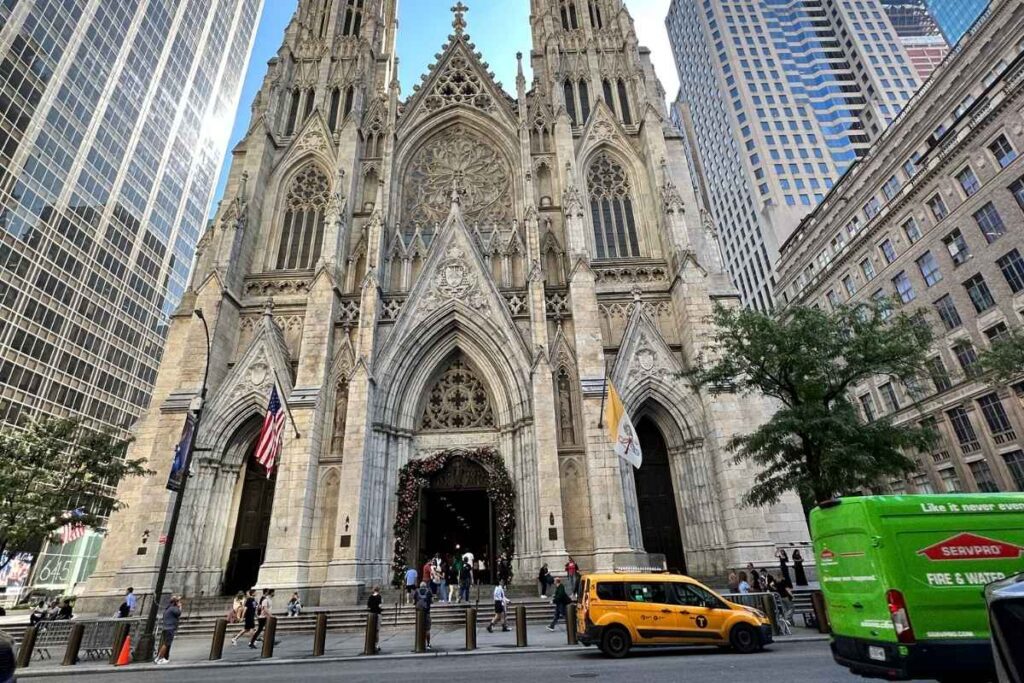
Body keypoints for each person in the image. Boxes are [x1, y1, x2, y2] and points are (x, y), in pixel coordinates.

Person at [154, 595, 182, 664]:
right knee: (166, 644)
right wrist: (180, 606)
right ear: (175, 602)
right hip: (170, 628)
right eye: (178, 601)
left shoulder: (168, 608)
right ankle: (160, 658)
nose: (179, 602)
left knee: (165, 643)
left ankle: (159, 658)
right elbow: (179, 613)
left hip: (166, 628)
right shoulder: (173, 608)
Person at [414, 581, 433, 650]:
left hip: (419, 613)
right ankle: (428, 643)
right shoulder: (429, 591)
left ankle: (419, 644)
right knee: (427, 629)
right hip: (427, 612)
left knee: (419, 628)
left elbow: (414, 601)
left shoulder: (416, 591)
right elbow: (431, 601)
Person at [367, 585, 383, 652]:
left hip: (371, 615)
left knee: (371, 630)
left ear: (373, 590)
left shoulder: (370, 597)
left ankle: (370, 644)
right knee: (377, 630)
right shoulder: (379, 597)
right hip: (378, 614)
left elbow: (368, 606)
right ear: (379, 590)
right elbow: (380, 605)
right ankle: (376, 644)